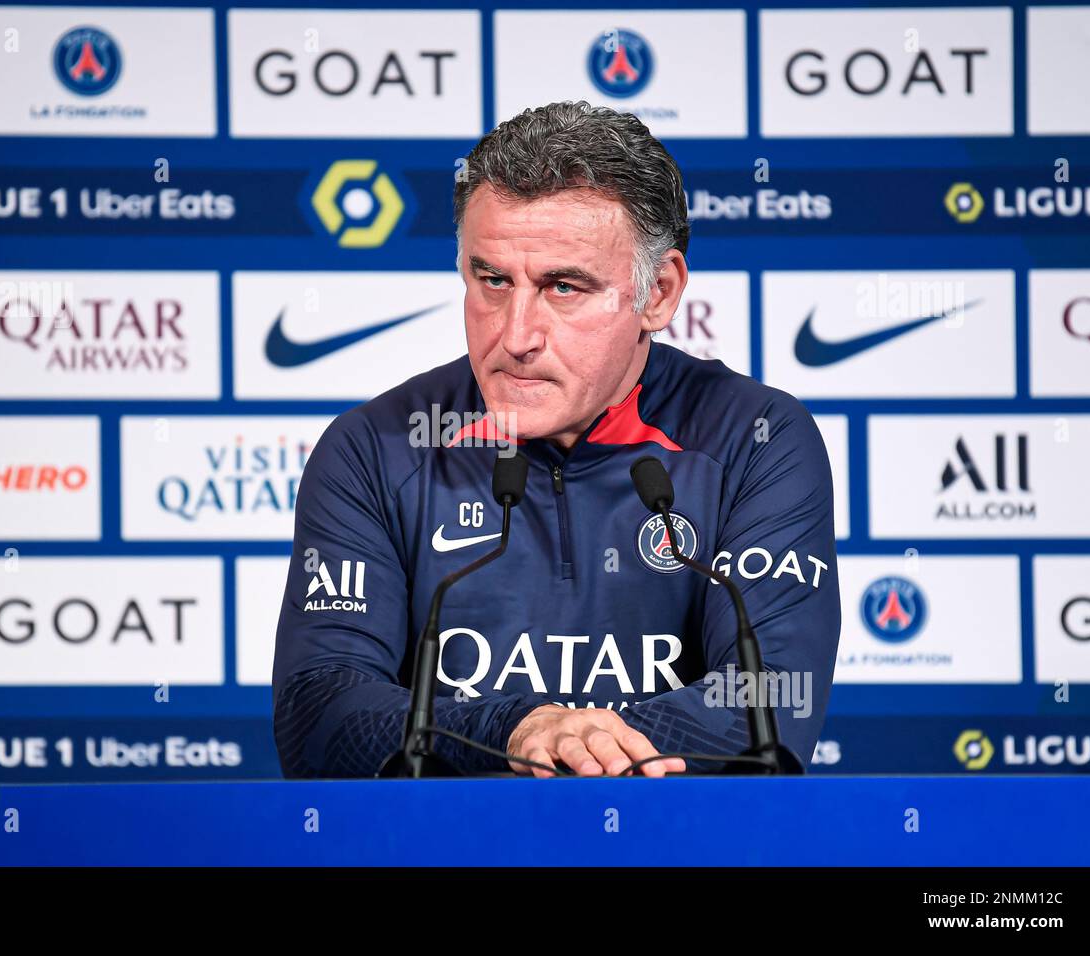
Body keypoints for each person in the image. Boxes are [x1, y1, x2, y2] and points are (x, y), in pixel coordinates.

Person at [272, 101, 840, 778]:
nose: (514, 336)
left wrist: (568, 746)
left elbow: (768, 703)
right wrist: (513, 728)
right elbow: (320, 713)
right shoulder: (373, 449)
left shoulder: (755, 441)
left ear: (657, 293)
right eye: (491, 281)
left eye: (563, 287)